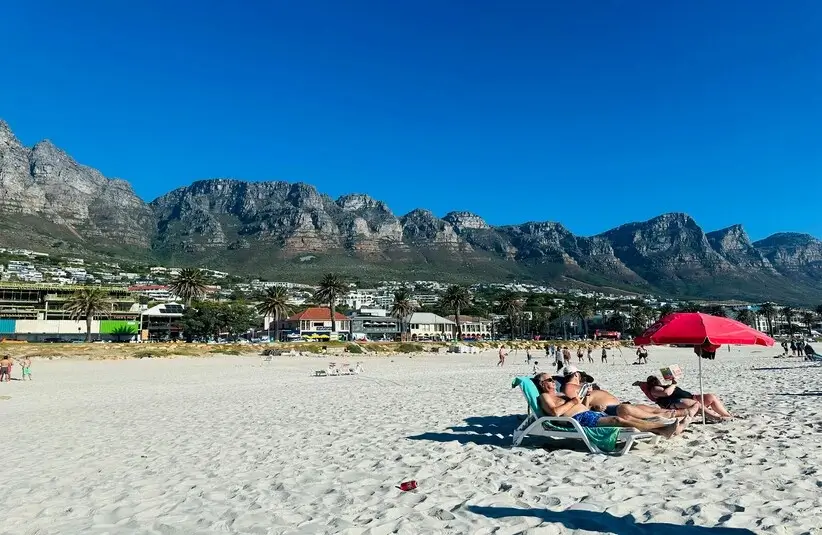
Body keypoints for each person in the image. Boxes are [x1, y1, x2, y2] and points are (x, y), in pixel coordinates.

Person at [533, 374, 687, 437]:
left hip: (588, 414)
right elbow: (554, 413)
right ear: (542, 383)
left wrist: (589, 403)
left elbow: (581, 406)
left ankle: (664, 427)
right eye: (550, 380)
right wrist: (574, 401)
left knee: (626, 419)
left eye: (553, 379)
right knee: (618, 421)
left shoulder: (560, 395)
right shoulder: (544, 396)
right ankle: (663, 429)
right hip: (579, 420)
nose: (553, 382)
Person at [558, 369, 695, 420]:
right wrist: (591, 403)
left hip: (613, 405)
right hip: (606, 410)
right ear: (576, 374)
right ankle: (676, 414)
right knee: (634, 410)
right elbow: (577, 405)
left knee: (641, 406)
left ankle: (676, 413)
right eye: (580, 375)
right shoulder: (569, 386)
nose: (582, 378)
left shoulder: (579, 385)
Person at [637, 375, 734, 421]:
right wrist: (674, 384)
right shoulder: (654, 389)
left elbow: (641, 383)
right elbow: (666, 393)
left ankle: (726, 415)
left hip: (690, 397)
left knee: (711, 397)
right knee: (696, 405)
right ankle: (717, 418)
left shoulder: (662, 386)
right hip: (674, 403)